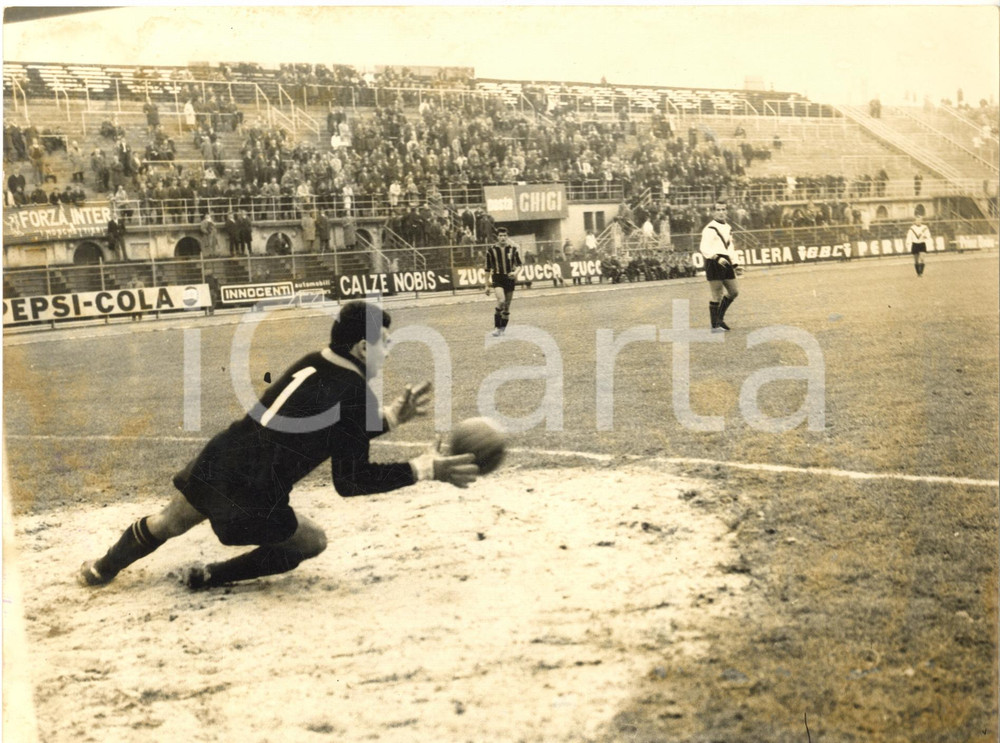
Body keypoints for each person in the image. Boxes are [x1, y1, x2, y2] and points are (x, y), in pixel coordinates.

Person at [77, 301, 480, 591]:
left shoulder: (314, 361)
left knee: (166, 523)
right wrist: (427, 469)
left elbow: (326, 426)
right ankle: (211, 576)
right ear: (361, 348)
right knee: (311, 541)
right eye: (385, 343)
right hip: (256, 494)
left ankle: (101, 569)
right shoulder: (356, 391)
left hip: (222, 457)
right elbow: (351, 481)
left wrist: (391, 418)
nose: (388, 351)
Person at [699, 201, 741, 332]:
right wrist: (717, 258)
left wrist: (735, 263)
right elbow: (703, 248)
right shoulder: (709, 229)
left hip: (726, 260)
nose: (721, 212)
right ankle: (715, 324)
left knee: (734, 292)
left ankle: (720, 319)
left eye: (724, 209)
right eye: (718, 210)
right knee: (717, 294)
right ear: (713, 212)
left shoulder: (728, 227)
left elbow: (730, 246)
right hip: (714, 261)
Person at [484, 228, 523, 337]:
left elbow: (520, 265)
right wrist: (487, 285)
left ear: (507, 237)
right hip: (497, 278)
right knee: (501, 301)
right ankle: (497, 327)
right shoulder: (491, 250)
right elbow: (487, 269)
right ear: (497, 237)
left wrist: (515, 273)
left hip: (509, 279)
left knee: (507, 306)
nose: (503, 238)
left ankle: (502, 329)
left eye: (505, 235)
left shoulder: (513, 249)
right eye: (500, 235)